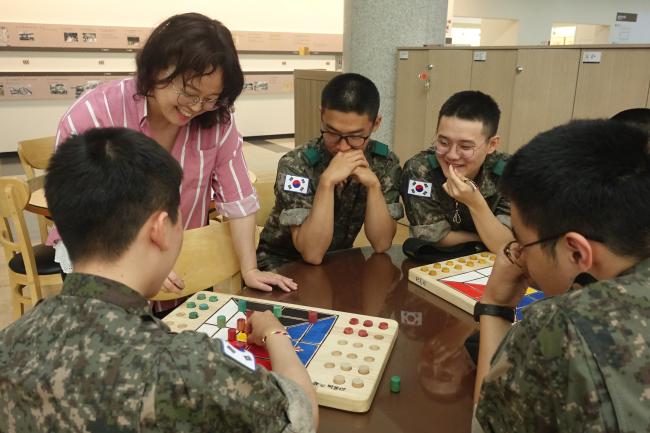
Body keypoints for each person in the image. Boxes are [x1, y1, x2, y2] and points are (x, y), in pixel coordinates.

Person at [0, 127, 318, 432]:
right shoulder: (183, 367)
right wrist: (275, 333)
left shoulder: (9, 342)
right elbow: (301, 414)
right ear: (160, 228)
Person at [50, 13, 296, 314]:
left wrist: (250, 268)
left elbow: (239, 199)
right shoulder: (94, 115)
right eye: (189, 93)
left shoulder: (216, 121)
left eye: (210, 99)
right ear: (155, 68)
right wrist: (140, 263)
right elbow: (78, 212)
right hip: (107, 278)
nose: (195, 108)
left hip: (182, 270)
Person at [472, 119, 650, 432]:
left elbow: (483, 424)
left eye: (523, 242)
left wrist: (495, 307)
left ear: (577, 253)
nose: (518, 254)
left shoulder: (562, 324)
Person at [256, 73, 403, 271]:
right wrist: (326, 183)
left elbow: (382, 243)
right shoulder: (297, 164)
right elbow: (312, 253)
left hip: (335, 262)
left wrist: (374, 186)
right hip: (282, 264)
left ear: (376, 124)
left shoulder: (383, 162)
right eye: (332, 132)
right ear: (322, 115)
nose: (342, 147)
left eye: (355, 136)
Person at [401, 90, 512, 253]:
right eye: (443, 142)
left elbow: (505, 245)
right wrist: (488, 237)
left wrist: (475, 202)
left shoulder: (509, 173)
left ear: (492, 145)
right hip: (438, 262)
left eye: (466, 147)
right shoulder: (420, 170)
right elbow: (433, 237)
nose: (452, 155)